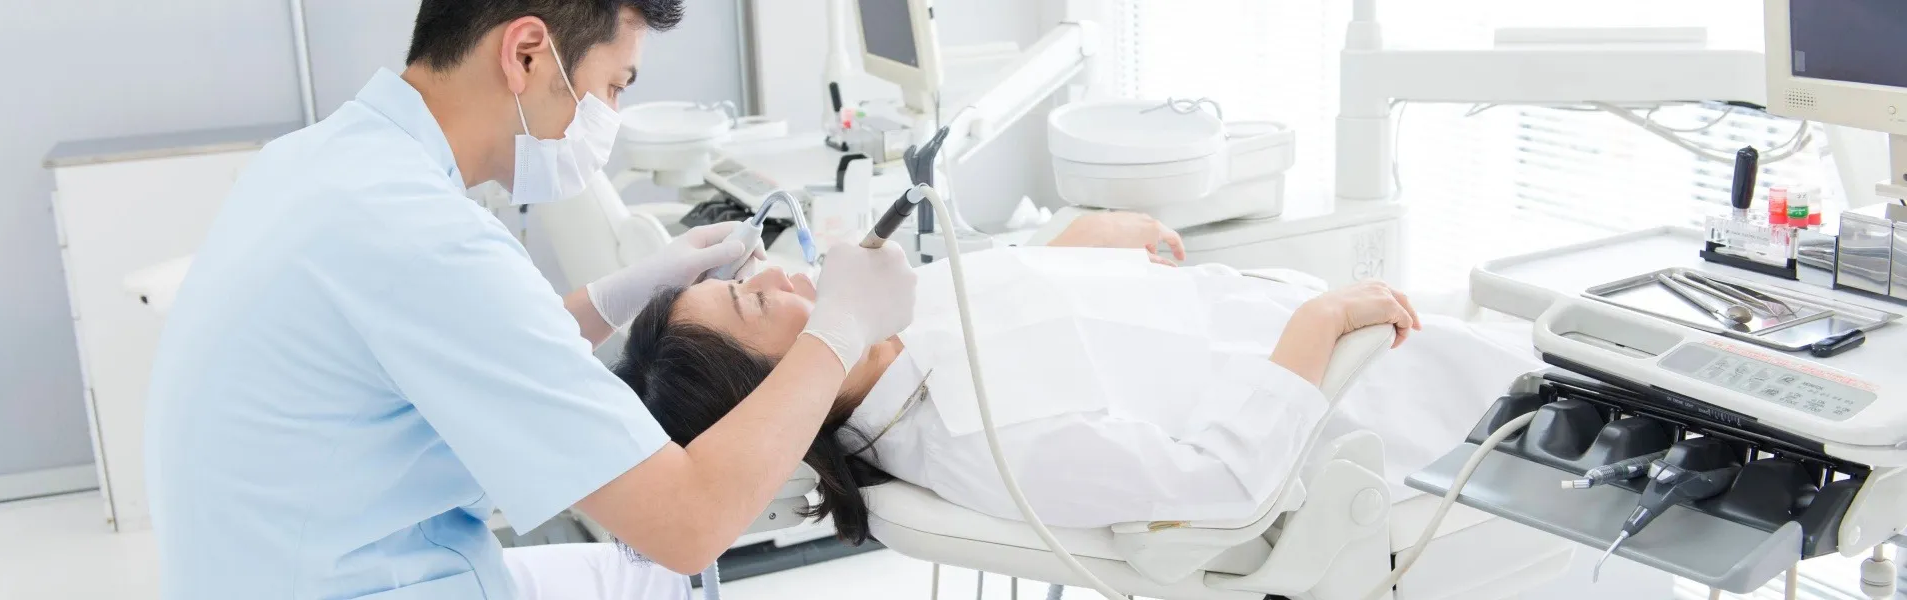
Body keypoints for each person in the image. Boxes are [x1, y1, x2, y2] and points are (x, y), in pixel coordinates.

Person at [143, 2, 919, 599]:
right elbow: (688, 525)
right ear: (525, 54)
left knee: (644, 581)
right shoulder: (427, 239)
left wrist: (618, 294)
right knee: (667, 573)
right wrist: (839, 328)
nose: (609, 117)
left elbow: (467, 345)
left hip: (293, 565)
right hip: (361, 579)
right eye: (612, 87)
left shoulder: (319, 162)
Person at [615, 212, 1542, 544]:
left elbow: (1019, 329)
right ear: (775, 403)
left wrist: (1065, 248)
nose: (782, 277)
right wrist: (1318, 325)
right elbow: (1222, 483)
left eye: (749, 276)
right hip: (1402, 412)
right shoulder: (980, 441)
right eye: (754, 305)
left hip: (1351, 330)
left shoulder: (895, 331)